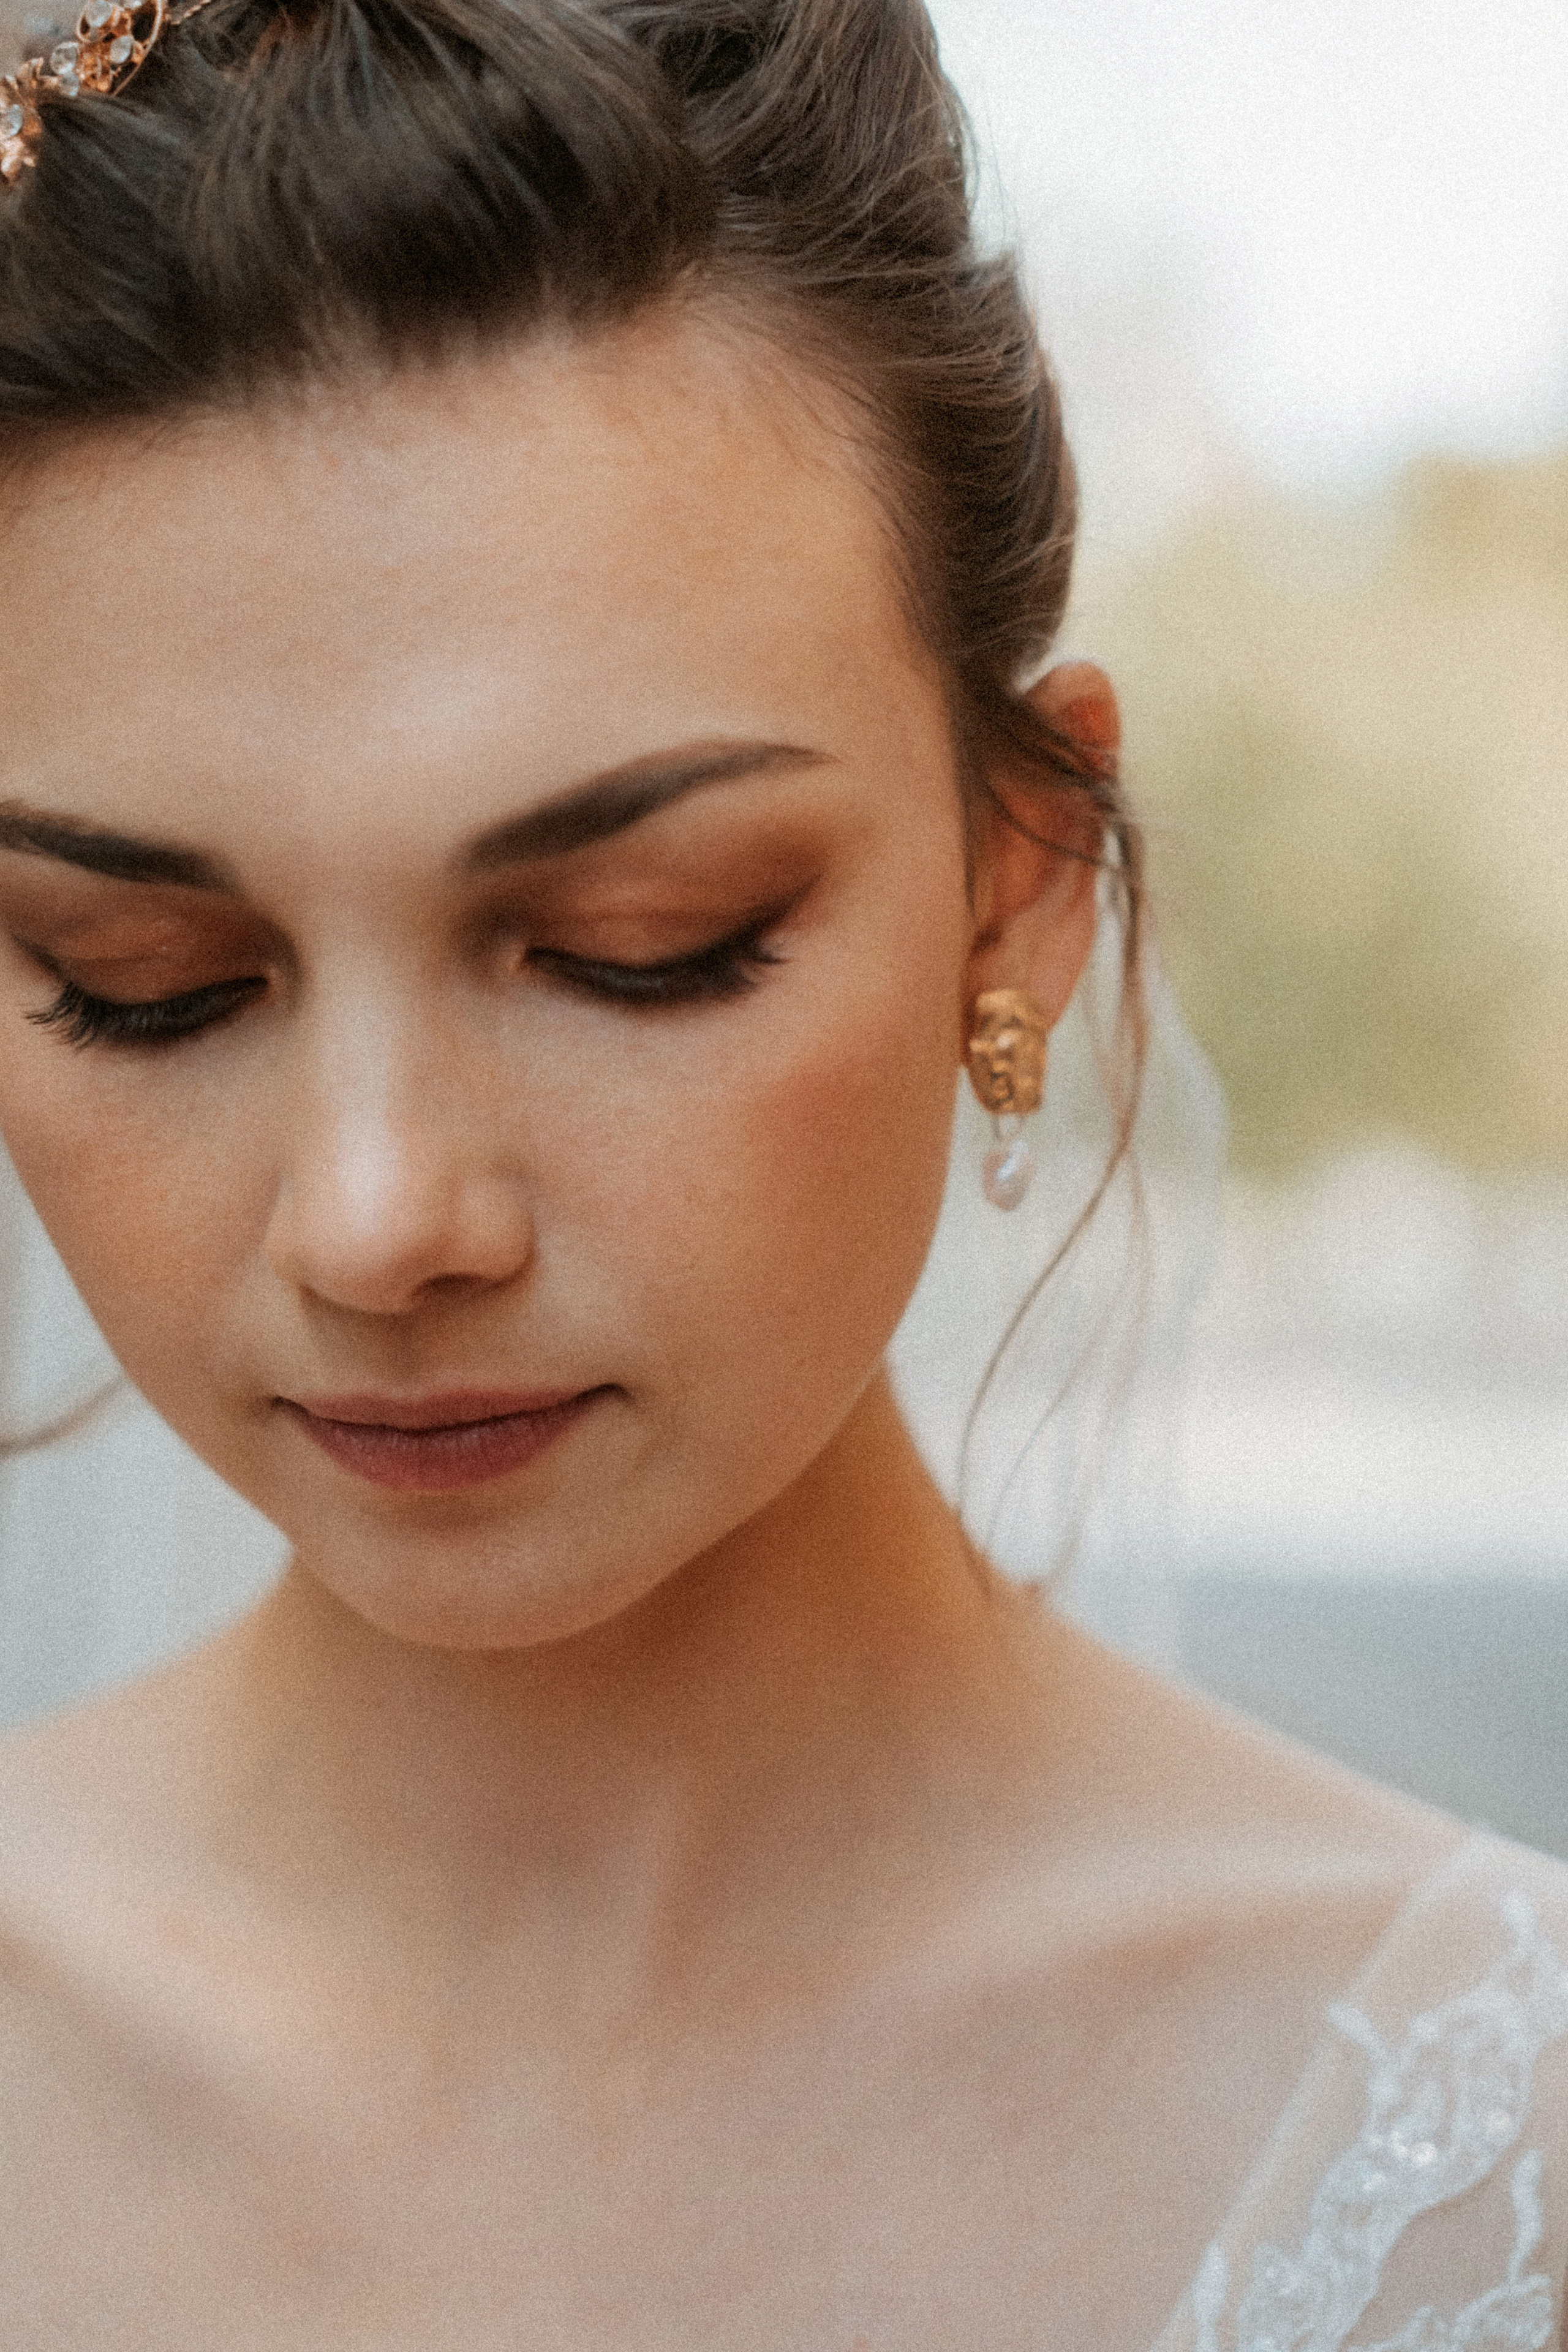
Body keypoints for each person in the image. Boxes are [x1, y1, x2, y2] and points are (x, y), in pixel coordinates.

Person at [0, 0, 1562, 2343]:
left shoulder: (1482, 2164)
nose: (378, 1217)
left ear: (1016, 882)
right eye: (146, 980)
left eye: (648, 947)